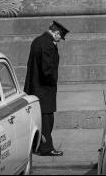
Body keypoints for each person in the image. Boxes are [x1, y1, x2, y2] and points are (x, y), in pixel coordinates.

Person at [24, 20, 69, 157]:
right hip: (44, 89)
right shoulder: (48, 45)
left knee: (40, 119)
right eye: (60, 36)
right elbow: (47, 70)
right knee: (46, 120)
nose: (60, 39)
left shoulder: (37, 40)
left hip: (35, 87)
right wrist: (53, 81)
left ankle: (38, 146)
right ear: (56, 33)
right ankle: (46, 148)